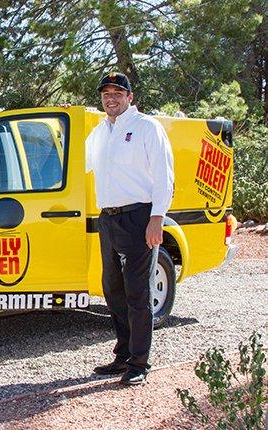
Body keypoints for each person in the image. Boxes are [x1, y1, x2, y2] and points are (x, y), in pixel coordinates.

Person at [85, 72, 174, 386]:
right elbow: (77, 161)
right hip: (108, 219)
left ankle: (139, 363)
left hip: (139, 217)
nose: (111, 98)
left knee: (138, 293)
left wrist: (157, 218)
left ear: (130, 97)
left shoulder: (147, 128)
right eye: (106, 93)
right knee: (112, 289)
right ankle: (122, 356)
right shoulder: (100, 132)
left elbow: (165, 175)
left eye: (117, 93)